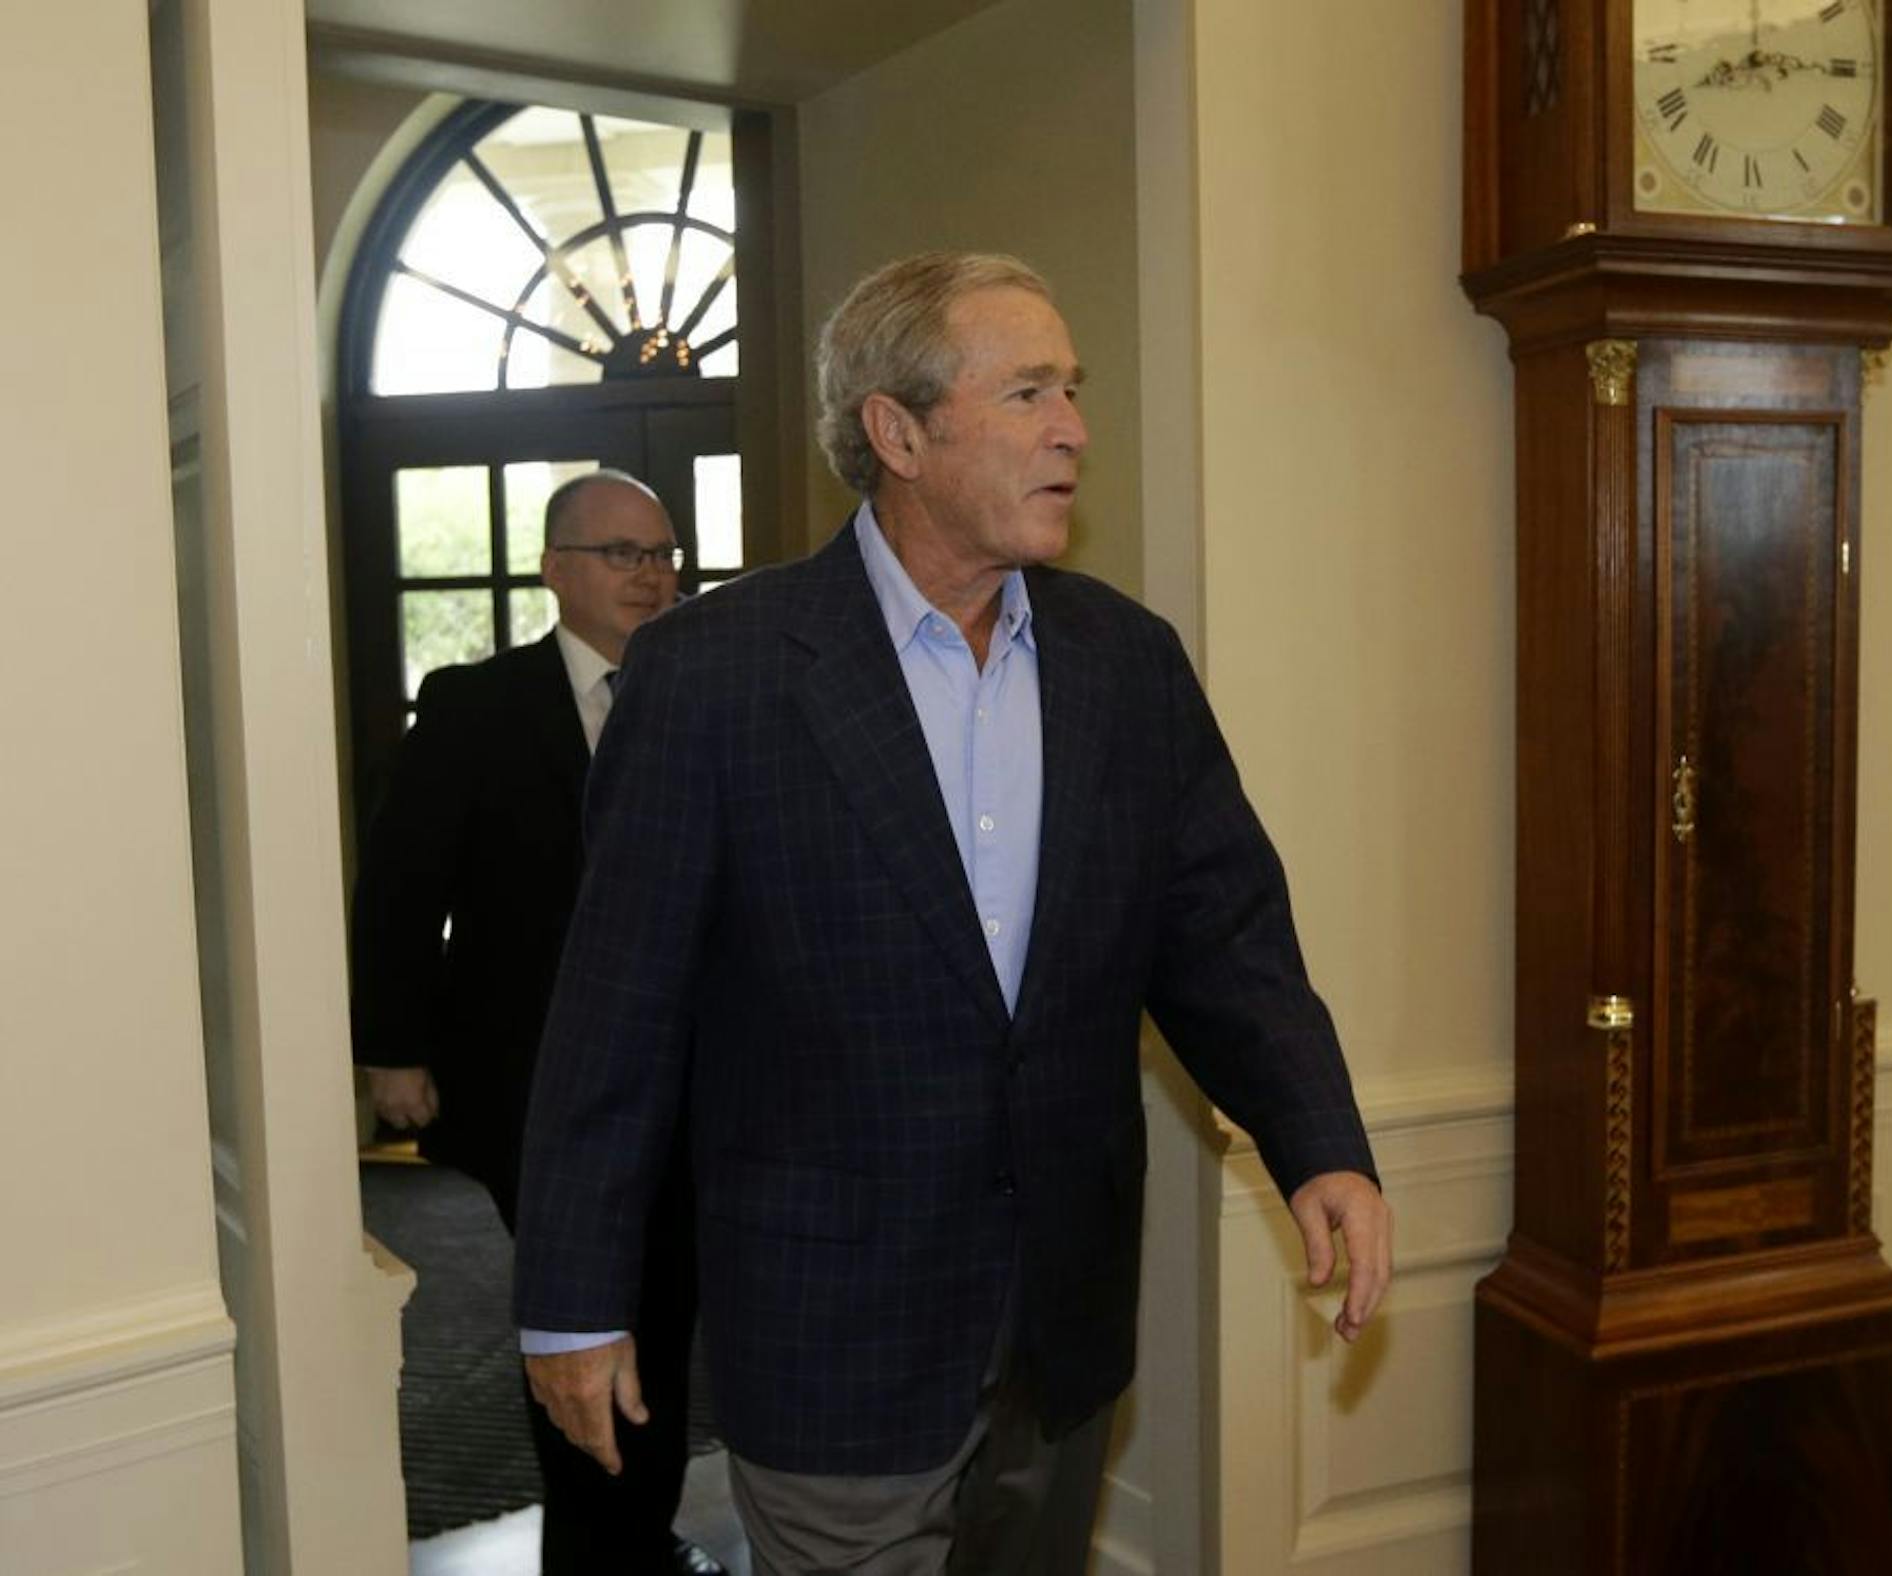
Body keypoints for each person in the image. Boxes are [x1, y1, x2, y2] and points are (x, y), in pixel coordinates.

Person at [515, 252, 1392, 1575]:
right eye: (1029, 391)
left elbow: (1221, 936)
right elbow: (616, 1015)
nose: (1075, 430)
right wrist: (572, 1306)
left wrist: (1320, 1143)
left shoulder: (1126, 664)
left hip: (1061, 1330)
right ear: (898, 432)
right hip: (829, 1332)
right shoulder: (715, 677)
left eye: (1074, 391)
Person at [349, 470, 721, 1575]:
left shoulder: (708, 696)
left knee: (662, 1305)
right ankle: (598, 1546)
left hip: (691, 1079)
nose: (650, 576)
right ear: (557, 569)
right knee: (576, 1307)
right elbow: (404, 885)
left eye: (661, 554)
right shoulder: (476, 703)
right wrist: (392, 1045)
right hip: (530, 1075)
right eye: (622, 554)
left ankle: (633, 1539)